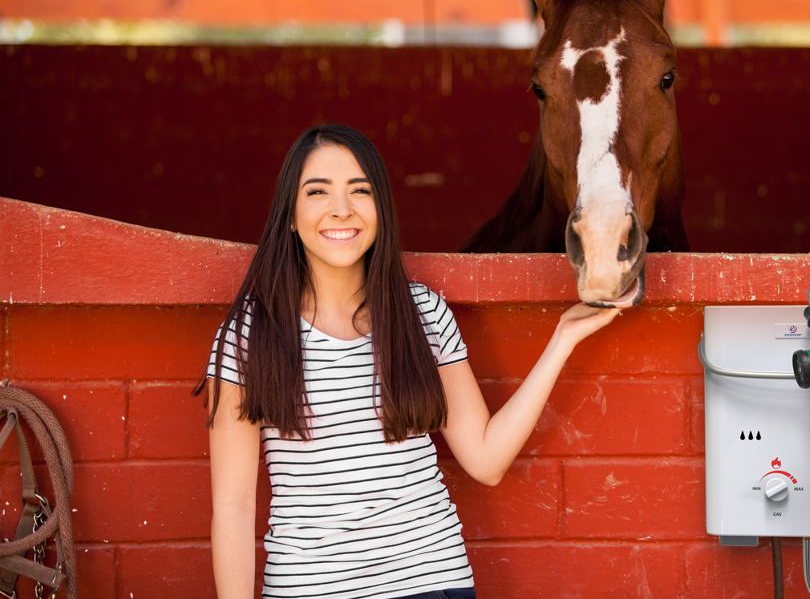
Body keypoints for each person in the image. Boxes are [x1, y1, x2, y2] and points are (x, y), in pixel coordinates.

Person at [195, 124, 620, 599]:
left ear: (381, 211)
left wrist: (563, 338)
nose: (342, 209)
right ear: (290, 216)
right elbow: (231, 507)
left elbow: (485, 458)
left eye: (361, 190)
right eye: (318, 191)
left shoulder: (422, 314)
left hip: (432, 583)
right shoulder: (249, 334)